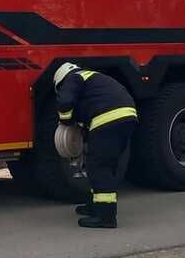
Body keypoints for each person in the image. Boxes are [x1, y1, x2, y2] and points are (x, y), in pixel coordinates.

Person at [54, 62, 138, 229]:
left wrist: (66, 121)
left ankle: (106, 216)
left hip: (108, 119)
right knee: (106, 165)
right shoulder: (92, 79)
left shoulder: (73, 78)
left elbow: (65, 102)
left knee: (98, 166)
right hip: (126, 118)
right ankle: (96, 205)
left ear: (60, 81)